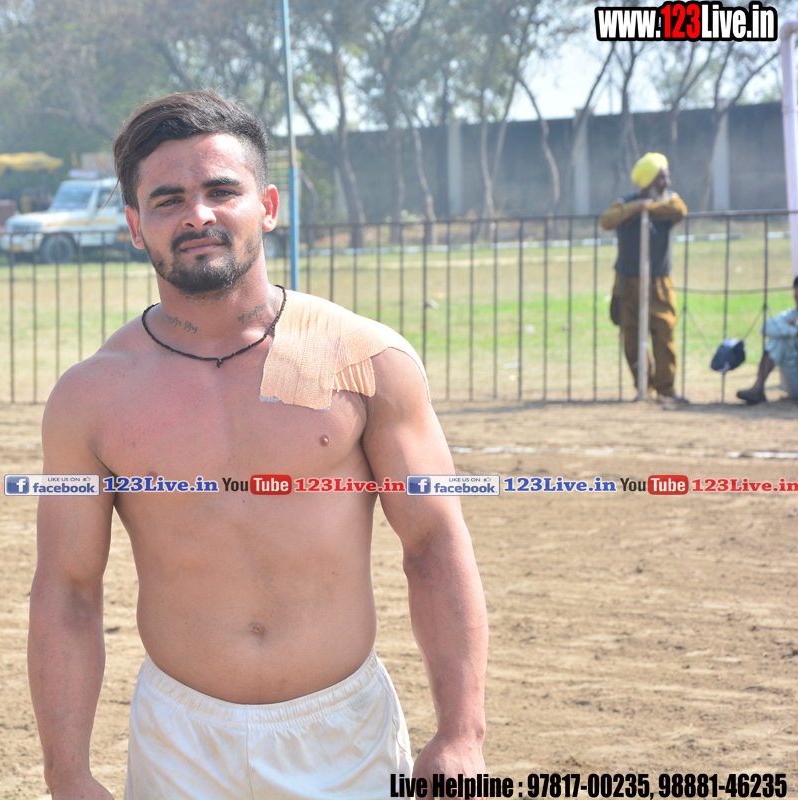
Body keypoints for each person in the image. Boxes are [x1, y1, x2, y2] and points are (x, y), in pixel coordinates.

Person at [28, 91, 488, 800]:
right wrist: (67, 773)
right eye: (168, 200)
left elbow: (434, 543)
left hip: (345, 735)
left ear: (268, 206)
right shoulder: (92, 396)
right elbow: (67, 587)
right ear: (134, 226)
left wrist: (462, 734)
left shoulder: (364, 359)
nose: (197, 215)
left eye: (221, 191)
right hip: (180, 743)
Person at [600, 152, 688, 402]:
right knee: (631, 338)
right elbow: (607, 220)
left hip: (659, 282)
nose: (666, 182)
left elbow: (680, 209)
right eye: (661, 177)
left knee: (664, 332)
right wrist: (635, 208)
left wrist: (648, 208)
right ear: (648, 180)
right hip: (628, 282)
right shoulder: (625, 203)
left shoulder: (669, 201)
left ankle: (666, 388)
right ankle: (643, 387)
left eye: (666, 176)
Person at [736, 276, 798, 404]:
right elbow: (766, 327)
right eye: (796, 297)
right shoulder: (791, 314)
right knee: (778, 340)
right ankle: (757, 388)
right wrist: (795, 331)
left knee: (780, 335)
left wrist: (796, 323)